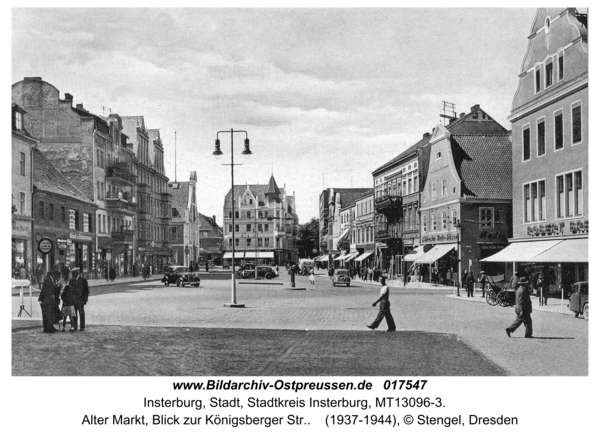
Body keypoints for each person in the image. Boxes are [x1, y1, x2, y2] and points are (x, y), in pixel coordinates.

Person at [69, 268, 89, 332]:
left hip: (80, 300)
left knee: (81, 313)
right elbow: (70, 291)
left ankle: (82, 327)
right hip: (73, 300)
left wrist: (85, 300)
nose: (72, 275)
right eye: (72, 273)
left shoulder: (83, 280)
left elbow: (86, 291)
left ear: (77, 273)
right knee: (74, 314)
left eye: (73, 273)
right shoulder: (71, 281)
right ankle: (75, 327)